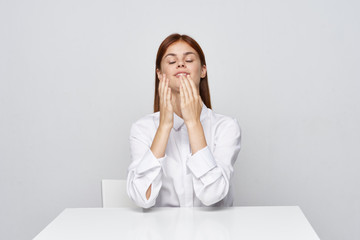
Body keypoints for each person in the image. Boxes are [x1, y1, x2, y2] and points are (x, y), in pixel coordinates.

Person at [126, 33, 241, 208]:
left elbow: (213, 195)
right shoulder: (143, 129)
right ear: (159, 74)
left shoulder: (226, 127)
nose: (180, 64)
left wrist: (193, 123)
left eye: (189, 60)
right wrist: (164, 126)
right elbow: (143, 198)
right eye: (172, 62)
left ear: (203, 70)